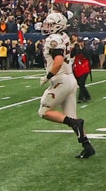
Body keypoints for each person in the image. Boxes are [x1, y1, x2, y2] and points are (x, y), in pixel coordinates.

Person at [37, 13, 95, 159]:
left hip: (60, 80)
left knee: (44, 111)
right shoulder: (63, 36)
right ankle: (87, 146)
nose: (46, 27)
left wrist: (47, 76)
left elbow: (58, 61)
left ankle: (75, 123)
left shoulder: (54, 39)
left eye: (50, 24)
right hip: (70, 79)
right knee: (71, 116)